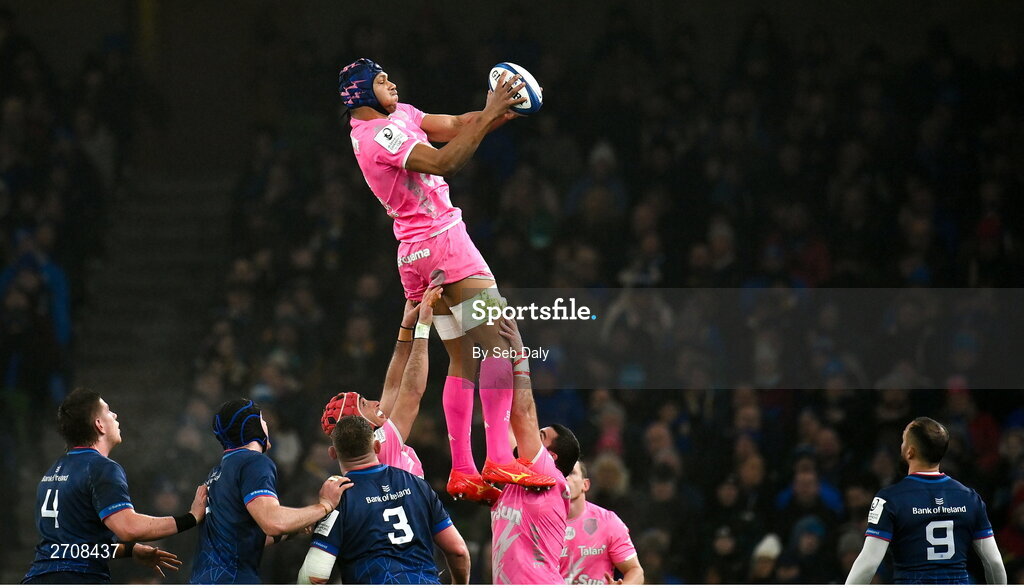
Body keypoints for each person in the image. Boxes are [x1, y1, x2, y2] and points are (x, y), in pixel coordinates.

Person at [337, 58, 552, 502]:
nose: (391, 81)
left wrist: (497, 114)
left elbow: (456, 124)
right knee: (495, 344)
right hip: (445, 245)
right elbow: (445, 163)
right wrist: (490, 112)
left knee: (463, 358)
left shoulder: (397, 117)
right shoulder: (379, 135)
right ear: (360, 93)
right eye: (381, 79)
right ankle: (498, 457)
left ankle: (462, 469)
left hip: (415, 256)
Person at [23, 387, 205, 584]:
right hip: (77, 579)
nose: (115, 415)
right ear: (99, 425)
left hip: (39, 578)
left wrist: (130, 549)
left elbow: (72, 548)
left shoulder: (54, 470)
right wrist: (191, 518)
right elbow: (128, 527)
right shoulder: (101, 468)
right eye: (108, 410)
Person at [189, 399, 349, 584]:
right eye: (262, 420)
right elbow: (273, 522)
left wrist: (294, 529)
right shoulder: (255, 462)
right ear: (254, 426)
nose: (267, 425)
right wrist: (325, 506)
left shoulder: (218, 471)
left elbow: (243, 540)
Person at [297, 415, 470, 584]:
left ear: (333, 453)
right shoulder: (418, 485)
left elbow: (314, 575)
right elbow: (458, 551)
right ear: (377, 446)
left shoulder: (336, 498)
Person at [845, 417, 1007, 584]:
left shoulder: (889, 499)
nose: (901, 446)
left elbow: (869, 563)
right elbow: (993, 562)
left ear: (910, 451)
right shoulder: (970, 497)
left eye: (903, 441)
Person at [490, 317, 581, 584]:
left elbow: (523, 413)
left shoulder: (549, 476)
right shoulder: (514, 477)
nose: (530, 435)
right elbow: (503, 420)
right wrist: (492, 353)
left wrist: (519, 352)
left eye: (541, 435)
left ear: (551, 457)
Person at [562, 460, 645, 584]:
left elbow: (635, 571)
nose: (565, 477)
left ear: (585, 484)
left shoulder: (608, 522)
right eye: (560, 473)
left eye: (571, 472)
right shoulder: (536, 524)